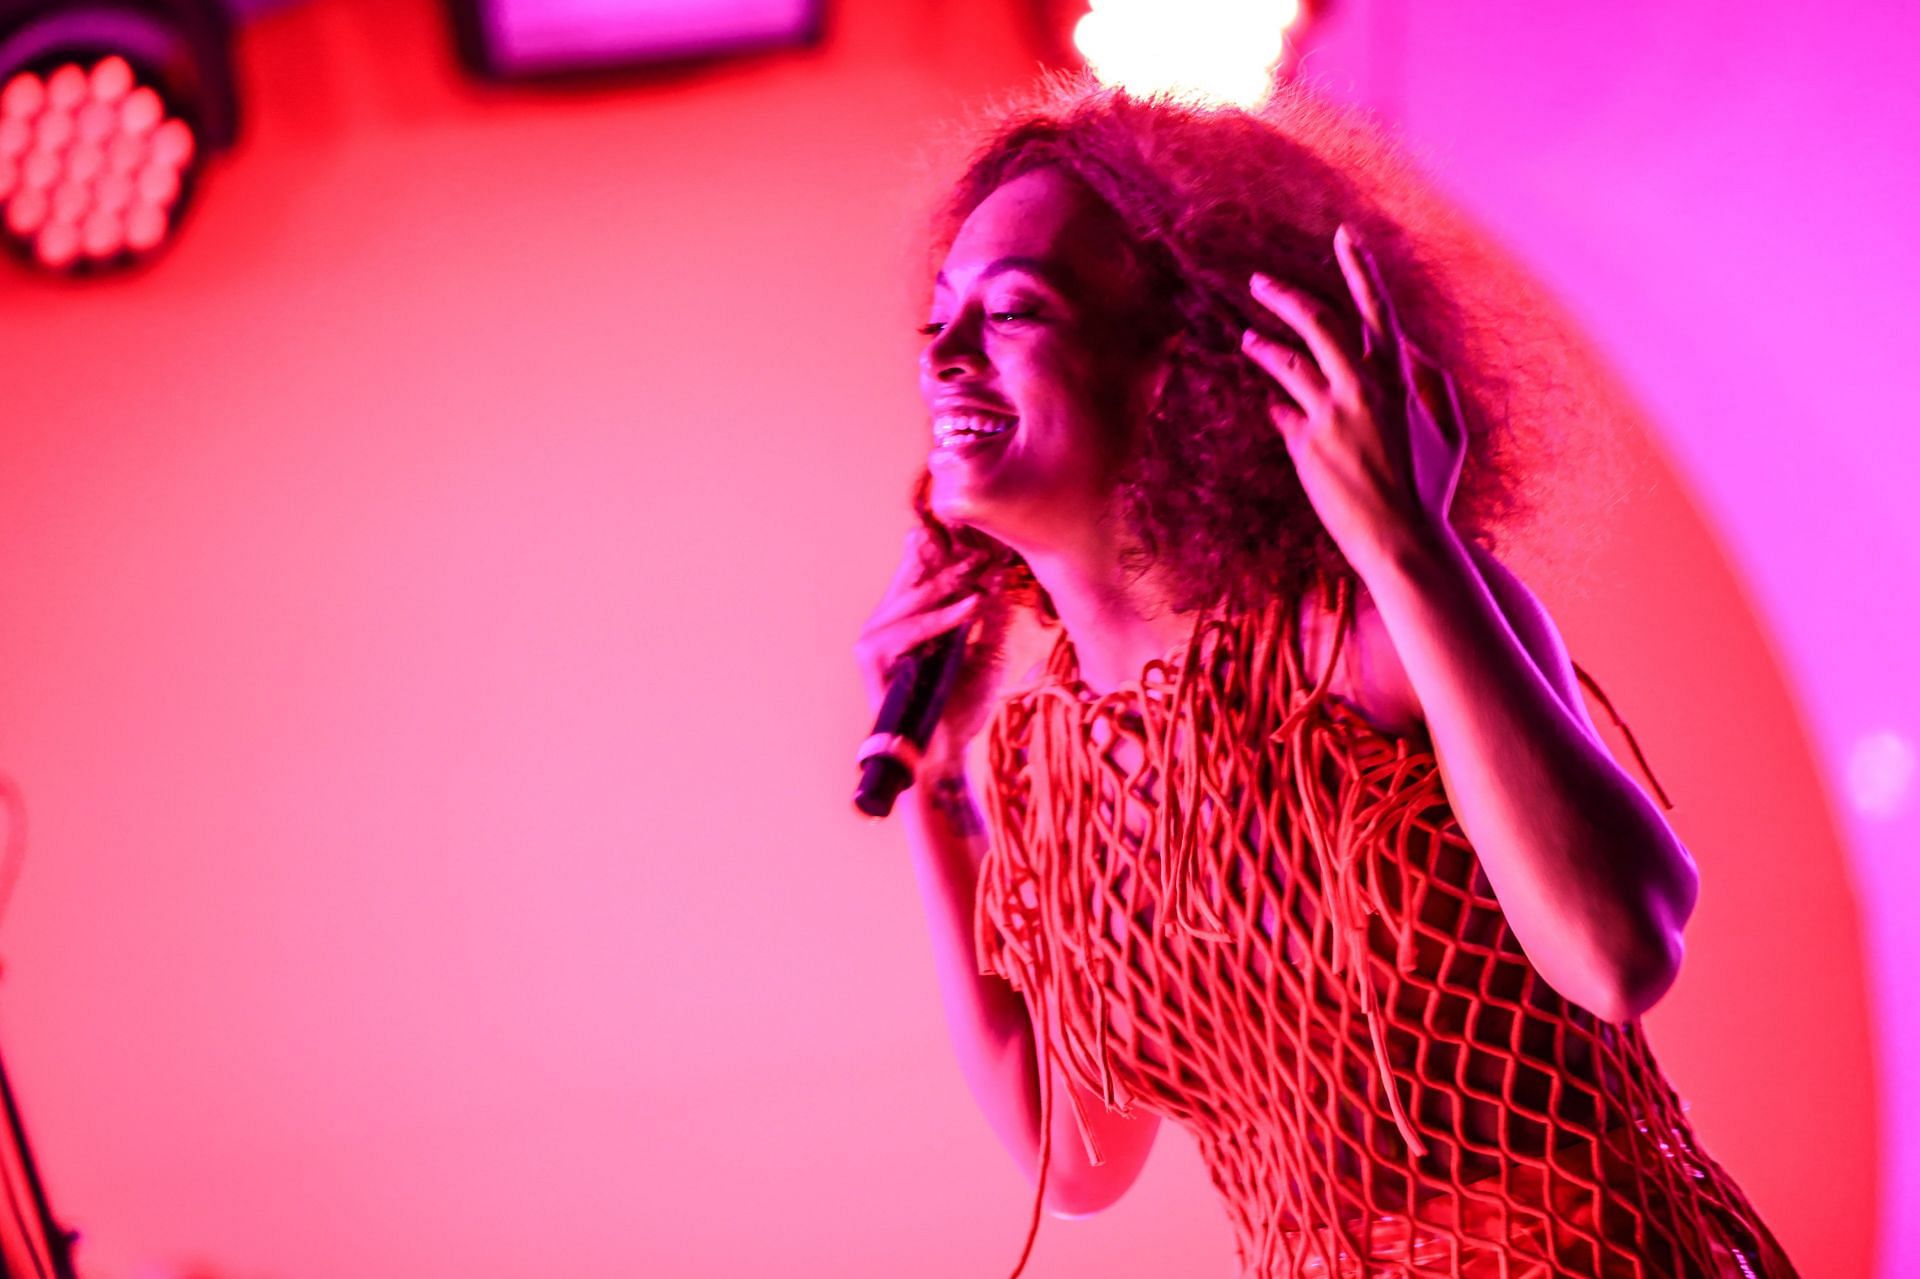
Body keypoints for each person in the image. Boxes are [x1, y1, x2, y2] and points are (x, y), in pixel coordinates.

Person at [853, 79, 1796, 1279]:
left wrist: (1410, 541)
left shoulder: (1361, 632)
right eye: (939, 317)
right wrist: (939, 796)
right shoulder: (1047, 763)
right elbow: (1076, 1156)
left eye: (1015, 310)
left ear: (1171, 370)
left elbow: (1618, 950)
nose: (942, 352)